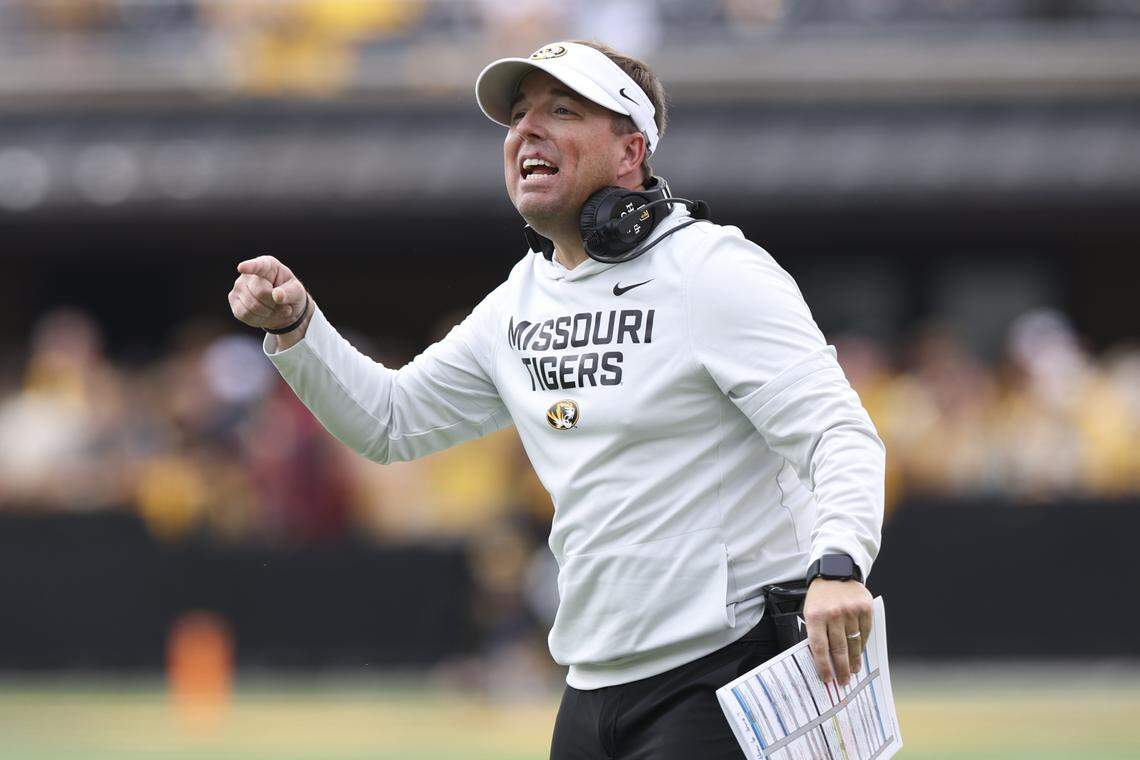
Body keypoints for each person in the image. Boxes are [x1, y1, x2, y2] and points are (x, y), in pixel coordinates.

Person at [228, 39, 885, 759]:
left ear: (631, 150)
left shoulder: (713, 269)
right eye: (517, 116)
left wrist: (839, 565)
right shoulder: (518, 302)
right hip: (592, 681)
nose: (525, 131)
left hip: (728, 671)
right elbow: (390, 422)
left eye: (561, 110)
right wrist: (298, 329)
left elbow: (836, 433)